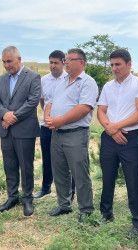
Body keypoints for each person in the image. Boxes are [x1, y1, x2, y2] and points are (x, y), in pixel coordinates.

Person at [97, 49, 138, 236]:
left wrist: (116, 127)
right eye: (112, 65)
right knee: (107, 177)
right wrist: (111, 130)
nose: (114, 68)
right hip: (110, 138)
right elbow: (101, 111)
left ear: (129, 64)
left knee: (134, 181)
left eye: (118, 64)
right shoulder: (107, 87)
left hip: (132, 138)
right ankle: (106, 213)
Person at [44, 48, 98, 222]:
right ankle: (64, 204)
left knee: (79, 173)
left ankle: (86, 210)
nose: (65, 62)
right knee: (59, 171)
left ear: (81, 62)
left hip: (76, 133)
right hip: (57, 133)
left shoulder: (87, 82)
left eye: (69, 60)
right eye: (65, 60)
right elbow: (50, 102)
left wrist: (61, 121)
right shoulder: (62, 81)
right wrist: (47, 117)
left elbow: (84, 108)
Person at [0, 46, 41, 216]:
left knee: (26, 166)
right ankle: (12, 197)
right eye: (4, 62)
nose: (6, 65)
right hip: (6, 131)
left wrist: (13, 117)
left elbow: (33, 100)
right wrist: (5, 114)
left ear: (19, 59)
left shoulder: (33, 77)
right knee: (9, 165)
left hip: (24, 129)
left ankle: (27, 198)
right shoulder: (1, 79)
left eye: (9, 61)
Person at [33, 50, 76, 200]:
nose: (52, 65)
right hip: (47, 126)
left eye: (56, 62)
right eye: (50, 62)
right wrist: (48, 118)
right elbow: (43, 101)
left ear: (64, 63)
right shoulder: (44, 80)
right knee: (47, 157)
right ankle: (46, 188)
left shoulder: (70, 79)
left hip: (65, 126)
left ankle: (70, 191)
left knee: (68, 160)